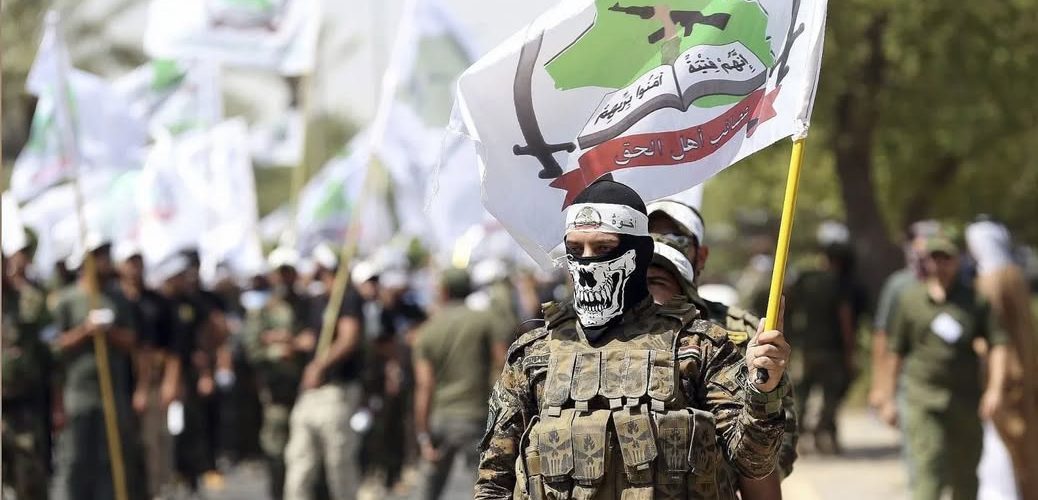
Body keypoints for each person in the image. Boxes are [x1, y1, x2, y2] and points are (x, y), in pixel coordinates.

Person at [476, 180, 790, 499]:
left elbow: (753, 462)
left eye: (603, 249)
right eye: (576, 250)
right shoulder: (534, 354)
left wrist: (763, 389)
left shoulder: (698, 346)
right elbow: (493, 480)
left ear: (638, 255)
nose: (587, 265)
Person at [648, 200, 798, 479]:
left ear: (701, 256)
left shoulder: (741, 332)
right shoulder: (611, 330)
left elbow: (777, 450)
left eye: (674, 238)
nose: (658, 244)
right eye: (647, 236)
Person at [880, 234, 1009, 500]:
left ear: (957, 261)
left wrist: (995, 389)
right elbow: (895, 350)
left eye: (946, 258)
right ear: (926, 262)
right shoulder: (910, 300)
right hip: (923, 398)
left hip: (965, 400)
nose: (940, 265)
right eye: (934, 258)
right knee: (929, 471)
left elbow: (998, 344)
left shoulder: (975, 300)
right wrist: (887, 396)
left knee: (965, 476)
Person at [51, 242, 143, 499]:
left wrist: (108, 332)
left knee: (110, 459)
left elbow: (132, 340)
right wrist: (85, 331)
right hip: (78, 394)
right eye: (98, 255)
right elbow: (54, 345)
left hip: (112, 393)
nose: (104, 260)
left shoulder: (117, 298)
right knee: (75, 459)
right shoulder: (66, 300)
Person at [413, 267, 508, 500]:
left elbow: (424, 386)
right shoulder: (485, 320)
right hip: (475, 417)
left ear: (443, 291)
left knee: (427, 489)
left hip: (440, 418)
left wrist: (423, 434)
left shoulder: (427, 330)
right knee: (483, 489)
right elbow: (503, 364)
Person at [283, 250, 366, 500]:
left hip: (336, 390)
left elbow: (348, 338)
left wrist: (319, 366)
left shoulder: (348, 299)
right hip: (311, 392)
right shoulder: (318, 301)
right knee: (299, 458)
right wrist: (292, 343)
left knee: (338, 460)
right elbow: (313, 338)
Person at [965, 220, 1038, 499]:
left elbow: (993, 332)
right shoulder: (1016, 275)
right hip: (1024, 368)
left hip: (1004, 374)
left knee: (1007, 444)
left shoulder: (992, 280)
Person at [243, 248, 312, 499]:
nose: (284, 278)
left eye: (288, 272)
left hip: (306, 389)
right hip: (276, 391)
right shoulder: (262, 310)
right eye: (280, 272)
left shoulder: (307, 307)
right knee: (276, 450)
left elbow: (312, 341)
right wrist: (277, 350)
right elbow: (252, 349)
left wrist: (290, 343)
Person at [787, 242, 857, 455]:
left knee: (801, 394)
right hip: (832, 350)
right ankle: (823, 432)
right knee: (831, 396)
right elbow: (845, 318)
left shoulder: (805, 279)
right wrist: (850, 352)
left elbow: (788, 305)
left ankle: (798, 437)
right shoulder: (839, 283)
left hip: (805, 349)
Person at [869, 220, 941, 410]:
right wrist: (880, 386)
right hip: (907, 381)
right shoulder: (899, 285)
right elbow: (882, 335)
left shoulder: (955, 285)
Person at [2, 252, 52, 500]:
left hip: (23, 408)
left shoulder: (29, 301)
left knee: (30, 481)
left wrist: (58, 403)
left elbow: (50, 351)